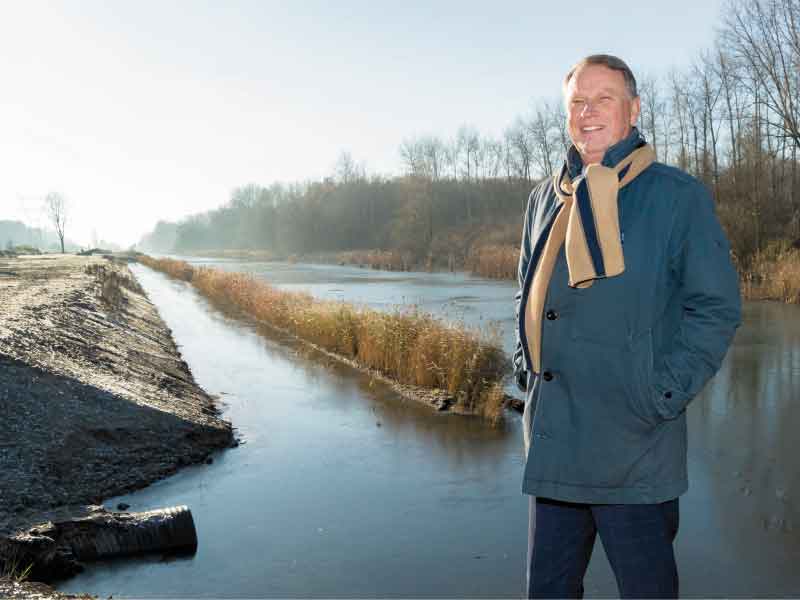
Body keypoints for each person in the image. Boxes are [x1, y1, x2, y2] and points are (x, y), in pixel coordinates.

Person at [513, 54, 741, 599]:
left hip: (634, 448)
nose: (587, 112)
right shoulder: (546, 197)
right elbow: (526, 291)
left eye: (603, 99)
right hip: (557, 443)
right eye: (577, 102)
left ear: (633, 109)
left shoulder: (675, 196)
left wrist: (659, 395)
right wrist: (525, 366)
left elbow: (715, 308)